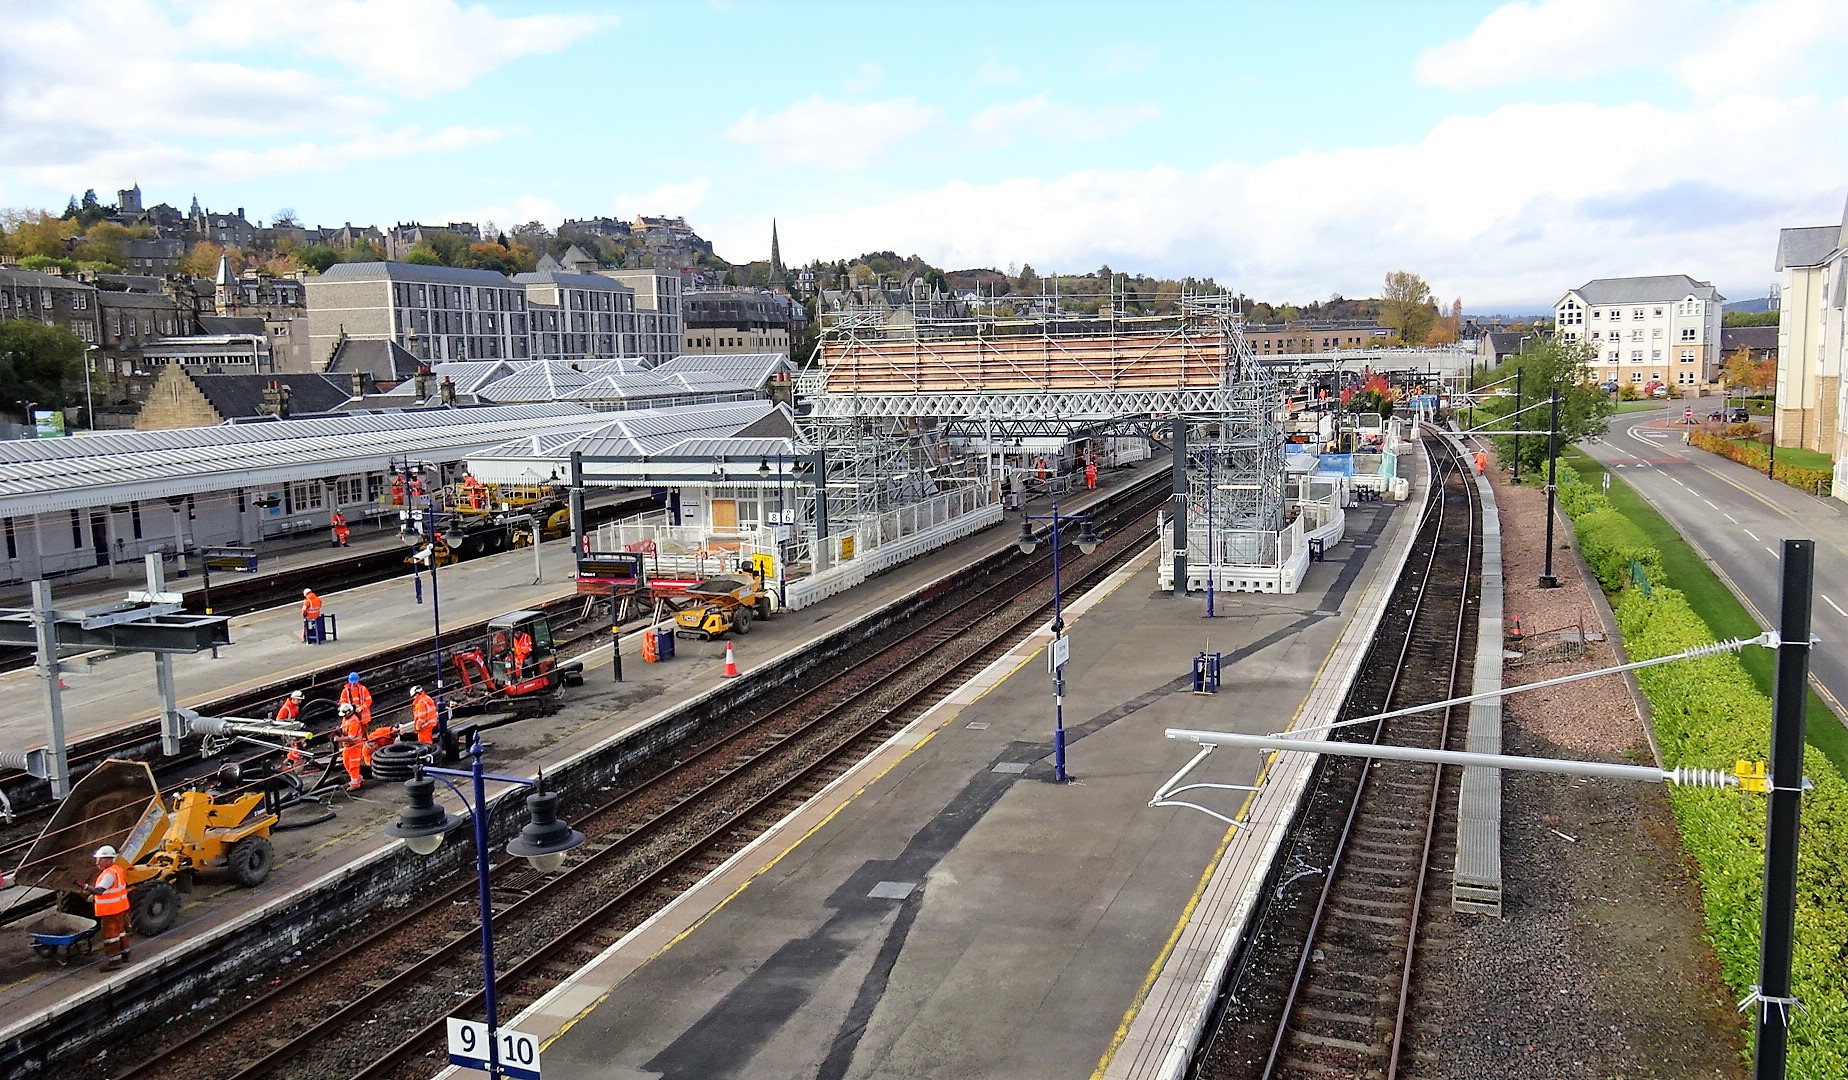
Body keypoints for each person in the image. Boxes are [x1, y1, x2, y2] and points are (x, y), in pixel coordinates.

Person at [77, 846, 132, 969]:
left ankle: (114, 962)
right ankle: (125, 955)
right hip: (120, 908)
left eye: (99, 860)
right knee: (121, 932)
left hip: (110, 911)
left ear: (108, 860)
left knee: (110, 937)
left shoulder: (109, 875)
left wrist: (85, 886)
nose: (97, 863)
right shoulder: (117, 869)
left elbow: (99, 891)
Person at [336, 703, 367, 790]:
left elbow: (351, 738)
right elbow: (344, 729)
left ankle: (355, 784)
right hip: (348, 746)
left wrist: (338, 739)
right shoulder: (346, 718)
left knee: (353, 765)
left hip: (355, 746)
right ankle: (357, 778)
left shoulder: (354, 721)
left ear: (349, 712)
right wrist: (338, 731)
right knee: (346, 763)